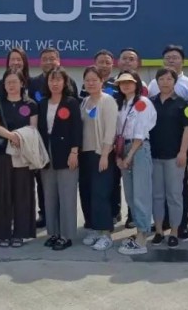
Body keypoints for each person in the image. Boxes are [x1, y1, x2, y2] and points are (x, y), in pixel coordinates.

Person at [0, 69, 39, 248]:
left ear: (22, 83)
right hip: (2, 154)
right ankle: (3, 233)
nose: (11, 85)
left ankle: (21, 233)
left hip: (23, 153)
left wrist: (20, 137)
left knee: (22, 192)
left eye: (14, 82)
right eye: (7, 82)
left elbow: (33, 128)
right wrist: (12, 136)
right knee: (1, 192)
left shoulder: (31, 104)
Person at [37, 67, 82, 251]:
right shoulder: (42, 103)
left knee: (67, 196)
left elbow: (77, 128)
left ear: (65, 82)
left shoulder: (71, 102)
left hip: (66, 152)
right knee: (50, 196)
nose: (54, 83)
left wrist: (74, 152)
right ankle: (53, 233)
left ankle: (66, 235)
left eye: (58, 80)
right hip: (46, 154)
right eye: (51, 80)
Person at [114, 71, 157, 256]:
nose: (125, 85)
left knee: (141, 194)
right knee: (131, 195)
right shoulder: (120, 104)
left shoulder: (142, 103)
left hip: (138, 149)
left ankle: (142, 237)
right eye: (122, 82)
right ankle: (139, 230)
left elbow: (140, 132)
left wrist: (129, 155)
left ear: (137, 83)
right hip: (123, 149)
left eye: (129, 82)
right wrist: (119, 156)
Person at [149, 68, 188, 247]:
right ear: (157, 82)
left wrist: (183, 152)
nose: (165, 82)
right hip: (154, 156)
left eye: (169, 79)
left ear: (175, 82)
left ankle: (174, 231)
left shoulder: (183, 103)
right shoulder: (150, 102)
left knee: (174, 195)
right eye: (161, 79)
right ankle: (159, 230)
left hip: (175, 157)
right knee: (157, 196)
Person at [79, 66, 119, 251]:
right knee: (87, 192)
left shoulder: (108, 101)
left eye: (94, 80)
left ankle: (105, 233)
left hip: (101, 154)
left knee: (100, 193)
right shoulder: (85, 101)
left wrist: (105, 154)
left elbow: (111, 130)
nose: (91, 83)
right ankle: (94, 228)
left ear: (102, 81)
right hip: (85, 154)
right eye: (87, 80)